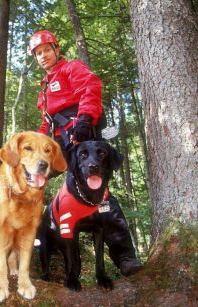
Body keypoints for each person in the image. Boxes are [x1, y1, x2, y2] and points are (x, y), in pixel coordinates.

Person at [29, 30, 142, 276]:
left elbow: (91, 87)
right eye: (38, 53)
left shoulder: (71, 69)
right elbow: (47, 124)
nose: (43, 55)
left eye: (47, 49)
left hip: (83, 141)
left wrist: (84, 119)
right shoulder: (43, 93)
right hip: (61, 146)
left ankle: (124, 255)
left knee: (98, 193)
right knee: (29, 181)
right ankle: (31, 244)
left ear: (56, 50)